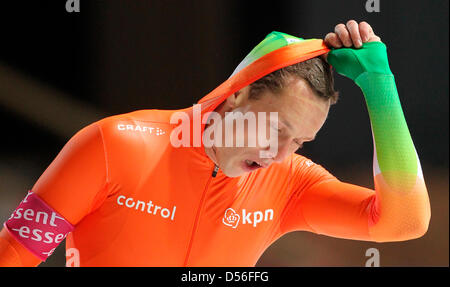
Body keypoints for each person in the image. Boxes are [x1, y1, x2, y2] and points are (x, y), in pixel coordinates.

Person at [0, 20, 430, 267]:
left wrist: (380, 87)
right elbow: (14, 256)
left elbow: (403, 222)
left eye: (299, 141)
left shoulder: (290, 182)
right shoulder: (114, 146)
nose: (278, 154)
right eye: (275, 128)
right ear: (238, 93)